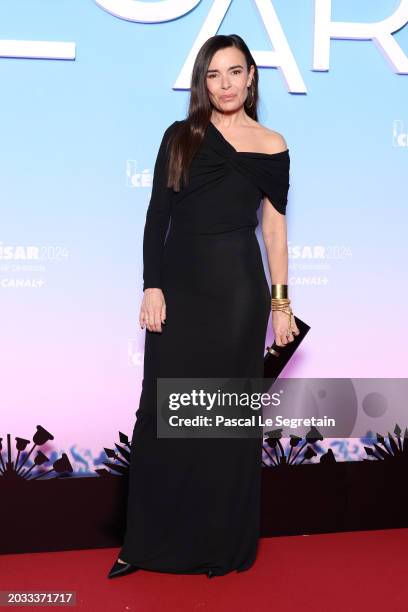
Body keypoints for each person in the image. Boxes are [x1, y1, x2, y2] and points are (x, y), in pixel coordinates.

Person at [108, 33, 299, 580]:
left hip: (239, 294)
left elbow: (275, 233)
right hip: (180, 290)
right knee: (163, 416)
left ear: (252, 76)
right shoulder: (181, 137)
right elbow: (156, 216)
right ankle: (142, 544)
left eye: (235, 72)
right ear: (202, 82)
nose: (226, 84)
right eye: (214, 75)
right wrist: (152, 285)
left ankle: (220, 545)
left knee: (224, 423)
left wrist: (281, 305)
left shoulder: (273, 144)